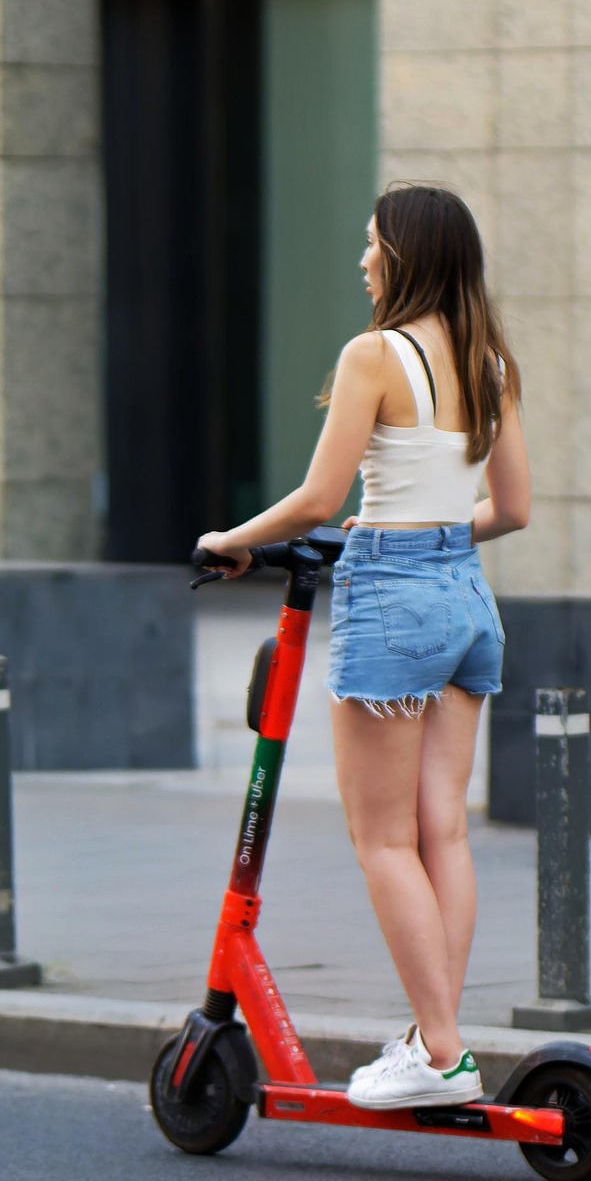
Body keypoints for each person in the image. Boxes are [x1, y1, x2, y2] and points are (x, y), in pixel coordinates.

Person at [195, 184, 530, 1110]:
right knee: (444, 831)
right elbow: (511, 511)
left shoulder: (374, 355)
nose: (363, 259)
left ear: (409, 255)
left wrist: (231, 540)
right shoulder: (489, 361)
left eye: (373, 243)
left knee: (383, 839)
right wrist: (428, 529)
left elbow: (314, 498)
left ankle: (441, 1052)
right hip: (465, 595)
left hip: (392, 597)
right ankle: (435, 1040)